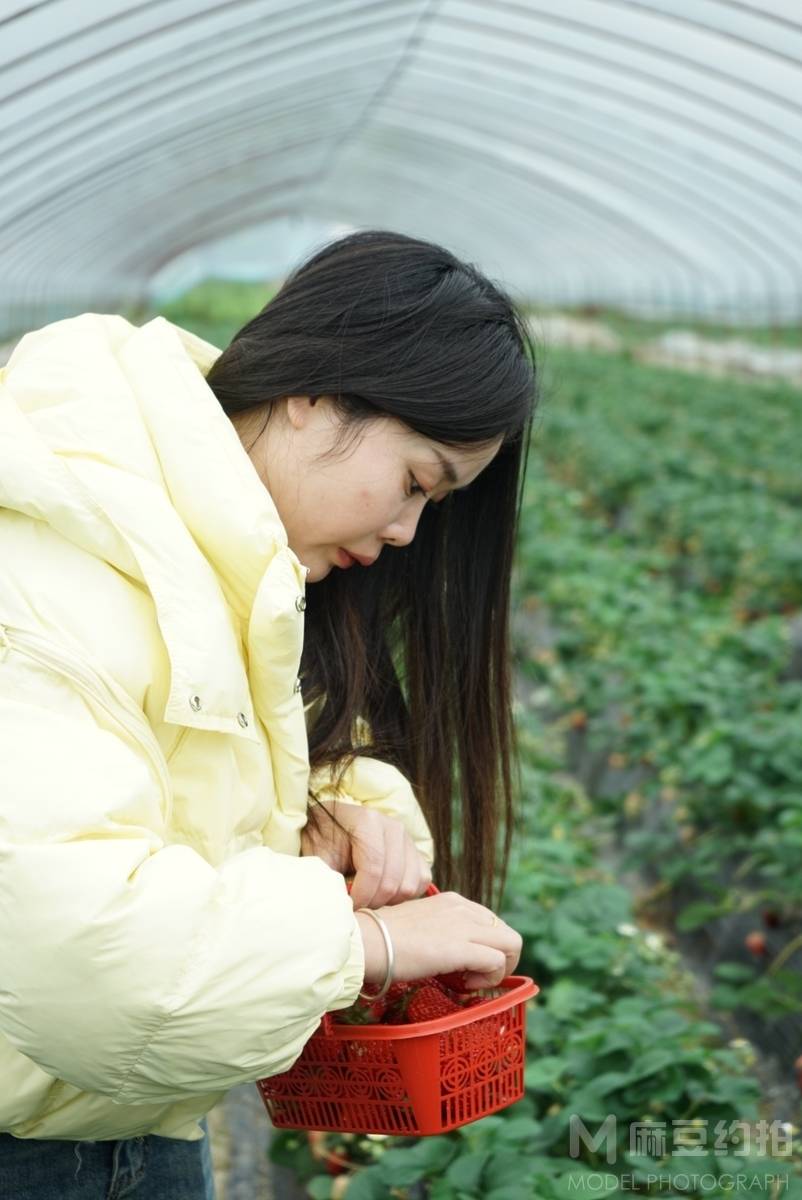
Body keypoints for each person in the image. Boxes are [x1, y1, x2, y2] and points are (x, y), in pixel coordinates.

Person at [0, 230, 537, 1197]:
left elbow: (183, 767)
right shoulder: (50, 561)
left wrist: (320, 817)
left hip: (143, 1128)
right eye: (416, 482)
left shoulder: (225, 561)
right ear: (314, 394)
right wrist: (366, 946)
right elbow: (75, 949)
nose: (407, 532)